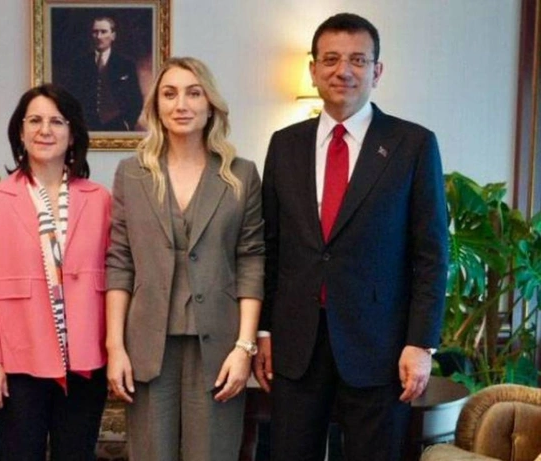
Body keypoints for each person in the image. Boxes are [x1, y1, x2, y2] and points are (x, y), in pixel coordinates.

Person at [254, 12, 448, 460]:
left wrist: (421, 343)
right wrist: (265, 330)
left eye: (358, 60)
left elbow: (431, 254)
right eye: (331, 59)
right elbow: (272, 247)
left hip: (380, 347)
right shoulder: (284, 144)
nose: (343, 70)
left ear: (377, 71)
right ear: (313, 69)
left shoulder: (412, 145)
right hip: (297, 345)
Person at [106, 56, 265, 461]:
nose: (182, 104)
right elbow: (120, 263)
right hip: (147, 345)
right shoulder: (132, 174)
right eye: (169, 94)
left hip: (220, 347)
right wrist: (115, 346)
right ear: (156, 106)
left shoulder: (241, 175)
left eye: (194, 93)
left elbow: (250, 261)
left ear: (210, 104)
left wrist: (244, 347)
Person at [0, 84, 111, 461]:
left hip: (85, 359)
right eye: (34, 120)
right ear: (20, 131)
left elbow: (118, 278)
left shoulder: (100, 199)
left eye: (56, 121)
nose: (44, 130)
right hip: (17, 360)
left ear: (72, 134)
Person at [64, 16, 143, 131]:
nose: (99, 36)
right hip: (86, 126)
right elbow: (70, 98)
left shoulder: (126, 64)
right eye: (95, 32)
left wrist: (127, 123)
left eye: (103, 32)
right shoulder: (79, 64)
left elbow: (136, 100)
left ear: (113, 36)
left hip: (118, 126)